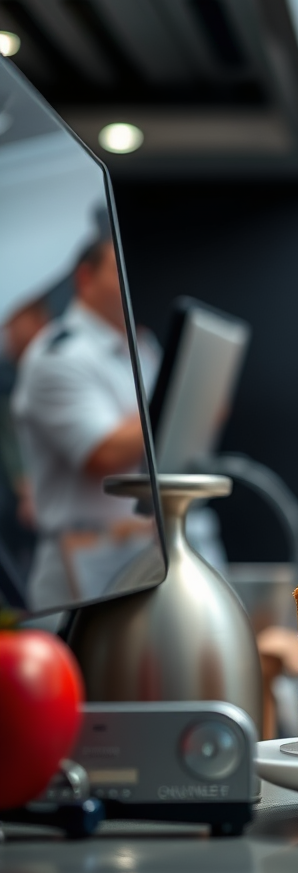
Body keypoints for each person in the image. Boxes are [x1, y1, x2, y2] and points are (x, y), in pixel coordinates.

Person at [12, 231, 160, 608]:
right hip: (82, 563)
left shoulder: (143, 348)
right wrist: (176, 401)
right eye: (118, 270)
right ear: (86, 278)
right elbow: (104, 454)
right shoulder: (57, 355)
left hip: (143, 550)